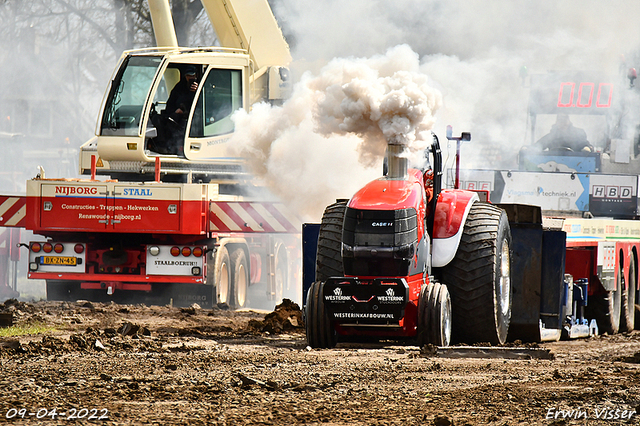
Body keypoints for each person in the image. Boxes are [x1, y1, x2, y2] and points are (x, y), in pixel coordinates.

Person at [149, 65, 199, 155]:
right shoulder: (179, 87)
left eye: (192, 76)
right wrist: (175, 111)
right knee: (157, 119)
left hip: (194, 117)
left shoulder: (201, 87)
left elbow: (200, 104)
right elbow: (171, 103)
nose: (190, 78)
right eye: (188, 76)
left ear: (196, 75)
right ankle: (162, 146)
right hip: (176, 114)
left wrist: (196, 91)